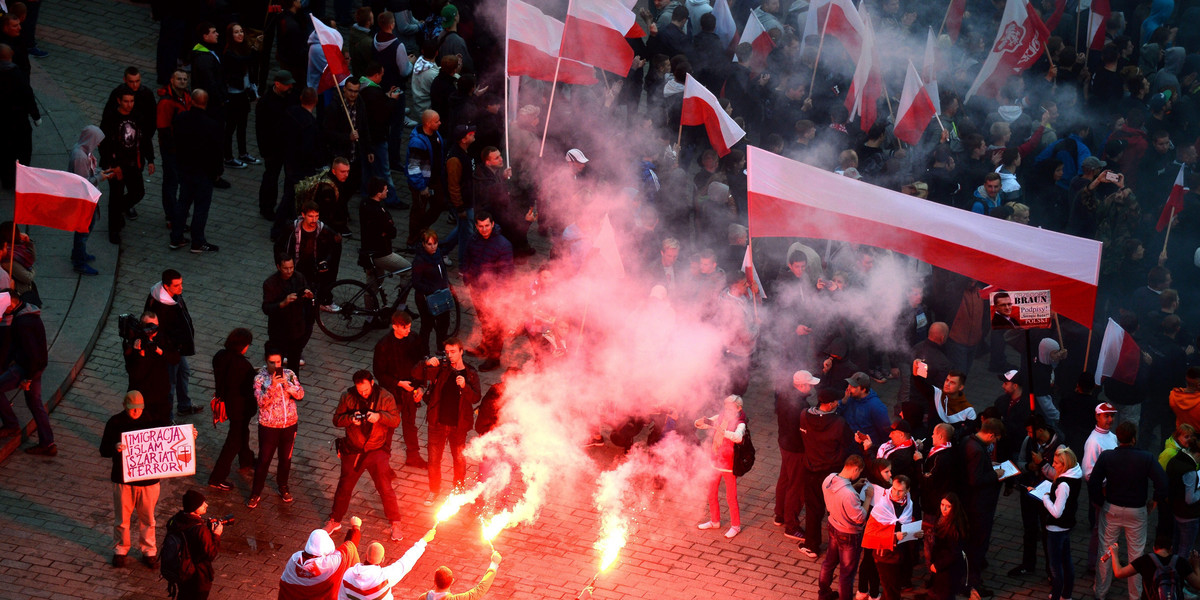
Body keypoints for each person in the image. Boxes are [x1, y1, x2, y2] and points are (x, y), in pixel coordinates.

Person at [1090, 421, 1168, 600]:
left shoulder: (1107, 457)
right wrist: (1154, 501)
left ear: (1118, 438)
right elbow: (1162, 483)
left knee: (1106, 550)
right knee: (1136, 554)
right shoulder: (1146, 458)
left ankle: (1100, 592)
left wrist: (1101, 502)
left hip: (1112, 508)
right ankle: (1135, 594)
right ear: (1134, 438)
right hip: (1137, 511)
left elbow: (1094, 482)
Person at [326, 370, 405, 542]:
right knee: (344, 486)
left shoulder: (385, 396)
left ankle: (395, 522)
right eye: (359, 390)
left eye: (366, 390)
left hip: (377, 449)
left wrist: (379, 416)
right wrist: (349, 419)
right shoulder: (347, 396)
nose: (363, 393)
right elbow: (336, 420)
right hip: (353, 450)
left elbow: (396, 420)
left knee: (385, 487)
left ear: (372, 382)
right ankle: (335, 520)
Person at [412, 337, 481, 506]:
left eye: (453, 352)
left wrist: (465, 387)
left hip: (459, 426)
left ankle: (458, 490)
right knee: (434, 460)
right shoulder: (441, 368)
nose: (450, 355)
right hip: (438, 423)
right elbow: (416, 374)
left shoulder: (470, 373)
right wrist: (426, 363)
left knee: (459, 460)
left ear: (461, 351)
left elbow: (476, 398)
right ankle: (434, 491)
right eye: (447, 352)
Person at [100, 391, 161, 568]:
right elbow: (103, 450)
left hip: (148, 481)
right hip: (123, 480)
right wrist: (115, 447)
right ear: (125, 407)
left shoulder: (153, 420)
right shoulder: (115, 422)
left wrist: (189, 436)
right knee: (122, 518)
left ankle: (149, 550)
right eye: (132, 409)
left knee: (148, 518)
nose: (135, 413)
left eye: (138, 409)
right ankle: (121, 548)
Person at [248, 346, 304, 509]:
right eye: (272, 362)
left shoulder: (289, 374)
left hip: (290, 424)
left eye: (278, 362)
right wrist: (272, 385)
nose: (276, 366)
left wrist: (287, 385)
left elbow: (300, 394)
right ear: (266, 361)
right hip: (269, 426)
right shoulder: (259, 379)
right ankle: (256, 492)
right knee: (264, 460)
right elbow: (261, 403)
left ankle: (283, 486)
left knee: (285, 459)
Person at [99, 86, 155, 245]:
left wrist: (150, 159)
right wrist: (113, 165)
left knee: (138, 192)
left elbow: (144, 139)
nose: (129, 104)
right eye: (126, 101)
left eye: (132, 101)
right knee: (115, 196)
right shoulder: (111, 118)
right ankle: (114, 230)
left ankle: (118, 212)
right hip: (115, 165)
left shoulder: (137, 116)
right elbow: (104, 145)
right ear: (119, 101)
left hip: (133, 164)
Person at [171, 89, 223, 254]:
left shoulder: (181, 119)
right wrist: (217, 171)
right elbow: (216, 152)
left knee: (182, 203)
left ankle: (176, 237)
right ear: (205, 103)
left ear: (191, 101)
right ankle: (197, 241)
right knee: (201, 207)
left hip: (185, 169)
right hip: (204, 173)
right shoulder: (212, 125)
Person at [372, 311, 427, 468]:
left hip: (410, 390)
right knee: (388, 428)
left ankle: (413, 457)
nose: (408, 331)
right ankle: (384, 464)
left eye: (409, 327)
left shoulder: (414, 339)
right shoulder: (384, 345)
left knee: (410, 424)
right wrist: (398, 383)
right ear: (394, 326)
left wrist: (420, 387)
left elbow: (421, 364)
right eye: (404, 328)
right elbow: (379, 373)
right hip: (392, 393)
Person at [0, 288, 51, 454]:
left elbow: (31, 354)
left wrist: (27, 379)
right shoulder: (27, 314)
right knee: (36, 404)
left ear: (10, 304)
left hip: (26, 369)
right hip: (36, 368)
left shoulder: (22, 322)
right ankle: (47, 443)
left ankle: (11, 425)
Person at [461, 211, 514, 372]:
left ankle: (494, 358)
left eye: (486, 226)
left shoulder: (503, 245)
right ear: (476, 226)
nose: (484, 229)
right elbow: (467, 259)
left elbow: (506, 275)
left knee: (496, 326)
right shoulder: (473, 240)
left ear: (492, 224)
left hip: (494, 295)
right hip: (477, 291)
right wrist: (467, 277)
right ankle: (484, 348)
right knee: (484, 321)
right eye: (480, 226)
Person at [207, 328, 257, 491]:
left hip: (228, 403)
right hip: (240, 408)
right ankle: (217, 477)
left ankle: (246, 460)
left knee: (243, 433)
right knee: (233, 442)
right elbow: (249, 388)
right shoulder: (243, 365)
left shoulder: (220, 356)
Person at [816, 454, 872, 600]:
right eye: (859, 472)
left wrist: (854, 485)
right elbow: (860, 518)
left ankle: (823, 593)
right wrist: (869, 498)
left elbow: (838, 493)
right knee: (847, 573)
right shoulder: (850, 494)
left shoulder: (829, 479)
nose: (859, 475)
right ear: (855, 469)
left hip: (833, 525)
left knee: (829, 562)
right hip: (848, 534)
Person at [1031, 447, 1084, 600]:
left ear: (1065, 465)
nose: (1053, 465)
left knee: (1055, 567)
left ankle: (1056, 595)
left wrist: (1046, 498)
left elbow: (1056, 512)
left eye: (1056, 463)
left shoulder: (1063, 484)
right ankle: (1066, 595)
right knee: (1067, 562)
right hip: (1067, 525)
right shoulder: (1075, 476)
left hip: (1056, 528)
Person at [145, 269, 199, 416]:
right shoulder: (161, 305)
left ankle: (184, 405)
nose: (181, 288)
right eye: (176, 285)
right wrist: (172, 346)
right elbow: (159, 331)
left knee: (184, 372)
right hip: (170, 350)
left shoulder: (173, 295)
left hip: (177, 347)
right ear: (166, 286)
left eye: (181, 284)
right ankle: (167, 417)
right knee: (170, 383)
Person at [695, 394, 748, 539]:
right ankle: (714, 520)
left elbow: (738, 437)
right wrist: (699, 422)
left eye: (730, 408)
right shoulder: (720, 416)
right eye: (726, 407)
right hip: (715, 460)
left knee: (731, 497)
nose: (727, 410)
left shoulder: (741, 423)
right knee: (711, 492)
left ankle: (735, 526)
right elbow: (705, 424)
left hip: (729, 463)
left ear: (738, 408)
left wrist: (722, 431)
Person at [964, 418, 1005, 597]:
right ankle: (973, 584)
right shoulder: (978, 451)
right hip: (978, 507)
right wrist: (994, 475)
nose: (994, 442)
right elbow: (975, 479)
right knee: (977, 547)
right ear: (990, 434)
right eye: (995, 439)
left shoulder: (968, 441)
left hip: (970, 505)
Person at [775, 370, 815, 540]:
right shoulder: (801, 406)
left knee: (784, 479)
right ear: (801, 385)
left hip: (784, 444)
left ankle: (780, 514)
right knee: (796, 486)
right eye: (810, 384)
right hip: (796, 449)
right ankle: (791, 525)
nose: (812, 387)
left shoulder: (784, 396)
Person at [338, 529, 436, 600]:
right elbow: (406, 561)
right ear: (382, 559)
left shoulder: (348, 574)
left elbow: (341, 597)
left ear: (366, 556)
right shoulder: (384, 577)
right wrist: (423, 541)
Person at [67, 125, 111, 275]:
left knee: (85, 228)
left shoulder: (82, 151)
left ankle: (78, 254)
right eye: (97, 140)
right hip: (84, 199)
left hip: (85, 198)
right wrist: (100, 177)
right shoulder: (80, 156)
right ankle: (79, 261)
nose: (98, 144)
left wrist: (99, 172)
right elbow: (83, 182)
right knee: (84, 229)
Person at [278, 519, 361, 600]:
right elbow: (350, 546)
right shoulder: (330, 564)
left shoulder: (294, 559)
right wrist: (356, 526)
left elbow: (316, 538)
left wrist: (328, 528)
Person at [123, 311, 180, 427]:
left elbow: (175, 358)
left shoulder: (161, 338)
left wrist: (159, 350)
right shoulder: (134, 343)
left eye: (157, 326)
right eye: (151, 327)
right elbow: (136, 374)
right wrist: (139, 354)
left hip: (161, 395)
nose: (155, 330)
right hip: (142, 398)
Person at [1103, 534, 1200, 600]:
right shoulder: (1180, 562)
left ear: (1154, 548)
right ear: (1171, 549)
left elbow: (1119, 573)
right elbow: (1198, 584)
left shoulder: (1145, 560)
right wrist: (1196, 565)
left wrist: (1114, 554)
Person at [262, 254, 314, 374]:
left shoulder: (299, 277)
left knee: (294, 364)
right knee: (277, 364)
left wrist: (308, 295)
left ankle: (293, 387)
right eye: (286, 268)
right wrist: (283, 303)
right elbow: (266, 308)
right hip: (279, 330)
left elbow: (306, 290)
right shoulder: (270, 283)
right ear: (278, 267)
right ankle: (278, 387)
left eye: (291, 267)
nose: (289, 271)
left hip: (296, 328)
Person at [165, 490, 222, 599]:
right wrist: (216, 535)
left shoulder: (176, 520)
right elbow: (211, 553)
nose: (206, 505)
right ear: (194, 508)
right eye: (202, 503)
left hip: (182, 571)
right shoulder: (199, 529)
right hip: (198, 577)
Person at [256, 70, 297, 220]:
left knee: (289, 178)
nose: (290, 87)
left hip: (288, 145)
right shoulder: (266, 102)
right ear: (277, 84)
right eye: (287, 85)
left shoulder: (290, 97)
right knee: (271, 178)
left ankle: (287, 208)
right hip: (272, 148)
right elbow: (260, 129)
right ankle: (266, 207)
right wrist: (265, 150)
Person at [1084, 402, 1119, 570]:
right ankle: (1093, 563)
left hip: (1113, 491)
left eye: (1112, 415)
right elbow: (1088, 472)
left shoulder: (1112, 437)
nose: (1110, 419)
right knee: (1100, 530)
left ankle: (1108, 561)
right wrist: (1106, 483)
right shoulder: (1093, 441)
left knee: (1110, 529)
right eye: (1106, 415)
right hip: (1103, 492)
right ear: (1097, 416)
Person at [411, 229, 453, 355]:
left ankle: (441, 348)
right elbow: (416, 282)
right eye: (429, 244)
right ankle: (424, 352)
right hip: (425, 298)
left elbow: (443, 272)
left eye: (435, 243)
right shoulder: (419, 260)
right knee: (427, 325)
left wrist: (446, 285)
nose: (433, 247)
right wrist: (432, 289)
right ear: (423, 244)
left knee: (444, 323)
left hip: (441, 295)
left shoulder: (438, 253)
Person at [927, 492, 967, 600]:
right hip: (942, 565)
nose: (943, 509)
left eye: (948, 506)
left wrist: (937, 565)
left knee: (946, 595)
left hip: (948, 569)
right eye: (942, 505)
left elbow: (954, 553)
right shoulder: (942, 518)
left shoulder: (954, 526)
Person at [418, 550, 503, 600]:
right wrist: (494, 564)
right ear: (452, 581)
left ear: (434, 581)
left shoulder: (423, 598)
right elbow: (480, 590)